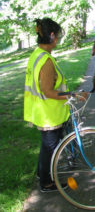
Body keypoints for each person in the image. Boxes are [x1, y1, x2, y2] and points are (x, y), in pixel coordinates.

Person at [24, 18, 88, 192]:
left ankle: (41, 174)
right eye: (58, 36)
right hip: (49, 113)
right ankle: (46, 182)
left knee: (47, 146)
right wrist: (73, 94)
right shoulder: (46, 61)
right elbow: (48, 91)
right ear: (51, 36)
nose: (58, 40)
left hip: (42, 110)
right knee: (51, 148)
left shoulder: (37, 54)